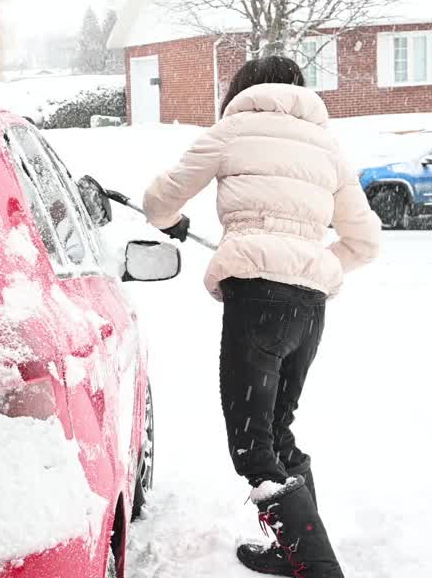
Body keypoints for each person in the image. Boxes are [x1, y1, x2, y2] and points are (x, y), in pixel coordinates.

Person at [142, 56, 381, 578]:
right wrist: (309, 266)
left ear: (242, 89)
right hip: (308, 307)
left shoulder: (232, 129)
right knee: (276, 431)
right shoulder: (327, 148)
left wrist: (176, 222)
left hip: (257, 302)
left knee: (254, 448)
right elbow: (365, 242)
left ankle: (318, 569)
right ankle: (293, 549)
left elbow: (159, 201)